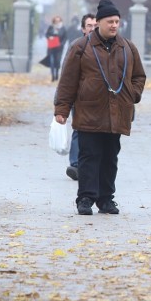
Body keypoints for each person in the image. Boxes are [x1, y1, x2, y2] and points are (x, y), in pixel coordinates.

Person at [54, 0, 146, 215]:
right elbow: (68, 80)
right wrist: (62, 110)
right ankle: (85, 198)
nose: (114, 25)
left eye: (117, 22)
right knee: (89, 156)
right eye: (110, 21)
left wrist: (132, 94)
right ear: (99, 23)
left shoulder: (127, 47)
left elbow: (139, 76)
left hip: (117, 113)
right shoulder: (81, 46)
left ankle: (106, 199)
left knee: (110, 157)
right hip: (89, 112)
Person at [64, 13, 97, 181]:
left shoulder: (107, 47)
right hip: (79, 97)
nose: (92, 28)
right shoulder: (76, 46)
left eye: (95, 25)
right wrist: (61, 103)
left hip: (100, 98)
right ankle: (75, 165)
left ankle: (94, 164)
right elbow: (66, 75)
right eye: (89, 26)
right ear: (83, 29)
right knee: (79, 129)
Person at [45, 16, 68, 82]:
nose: (57, 22)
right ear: (54, 21)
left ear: (60, 21)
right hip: (51, 48)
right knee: (52, 61)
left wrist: (62, 44)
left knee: (57, 61)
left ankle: (57, 73)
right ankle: (53, 76)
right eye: (56, 21)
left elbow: (65, 38)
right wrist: (49, 37)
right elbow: (46, 35)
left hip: (59, 48)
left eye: (58, 21)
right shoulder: (51, 27)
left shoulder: (63, 28)